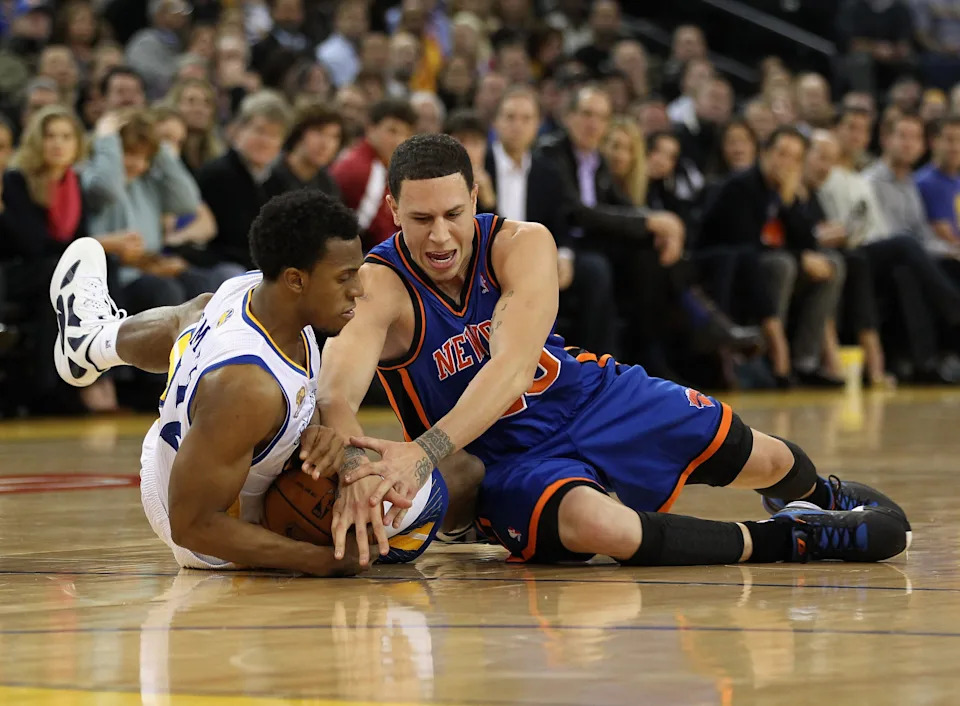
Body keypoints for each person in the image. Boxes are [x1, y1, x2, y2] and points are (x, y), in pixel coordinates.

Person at [312, 133, 909, 569]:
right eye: (420, 219)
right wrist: (359, 468)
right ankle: (792, 539)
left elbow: (512, 369)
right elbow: (336, 391)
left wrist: (421, 452)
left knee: (768, 457)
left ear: (475, 196)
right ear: (393, 210)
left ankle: (816, 495)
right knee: (606, 529)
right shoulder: (380, 285)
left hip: (590, 398)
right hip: (509, 460)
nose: (440, 235)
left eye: (453, 214)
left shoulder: (521, 243)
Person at [47, 189, 482, 573]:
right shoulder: (248, 388)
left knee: (197, 310)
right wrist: (317, 560)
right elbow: (192, 526)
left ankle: (94, 340)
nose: (359, 290)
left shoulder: (248, 290)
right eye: (344, 277)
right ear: (296, 280)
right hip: (210, 535)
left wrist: (316, 433)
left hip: (202, 451)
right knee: (433, 491)